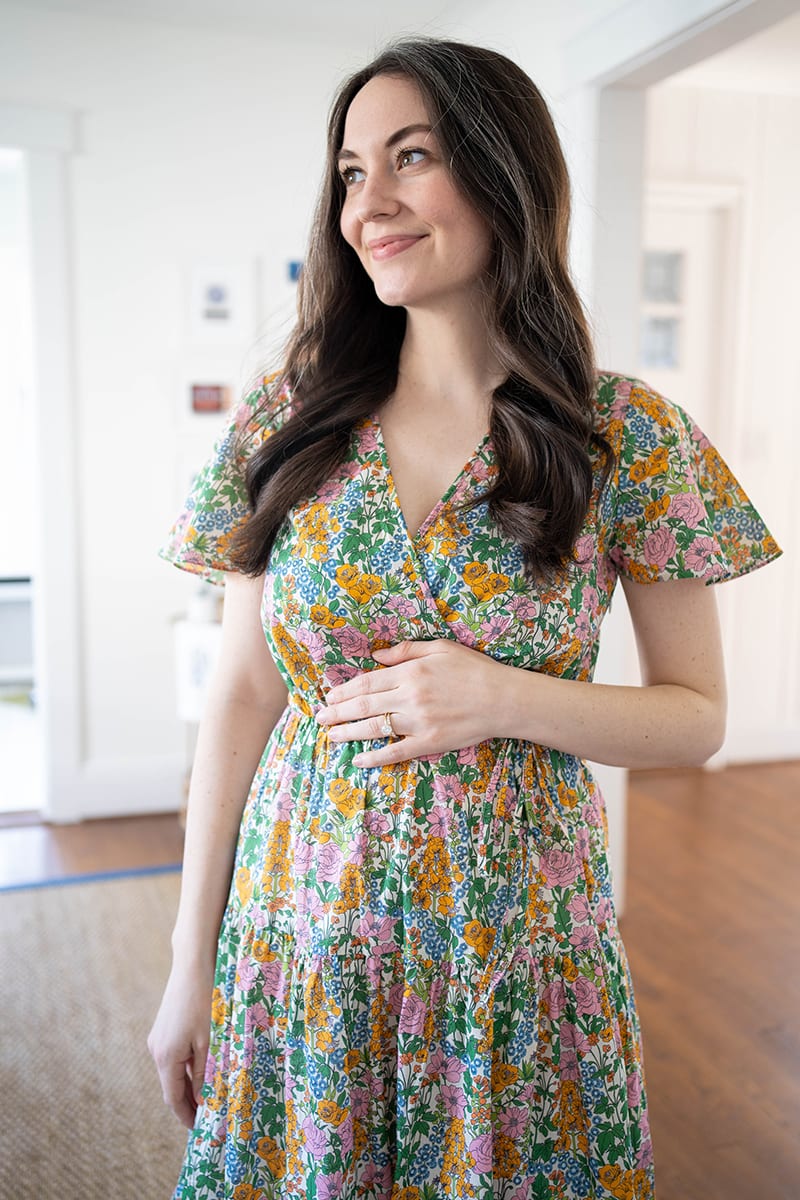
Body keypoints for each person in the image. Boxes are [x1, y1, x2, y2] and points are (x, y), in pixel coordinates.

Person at [147, 36, 782, 1200]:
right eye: (347, 171)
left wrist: (498, 696)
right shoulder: (288, 417)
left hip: (515, 949)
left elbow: (694, 722)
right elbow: (241, 695)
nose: (367, 202)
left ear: (502, 177)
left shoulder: (625, 436)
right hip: (305, 925)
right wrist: (190, 963)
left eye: (410, 157)